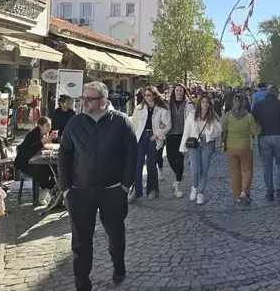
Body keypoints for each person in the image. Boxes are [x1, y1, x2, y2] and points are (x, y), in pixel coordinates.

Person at [58, 82, 137, 291]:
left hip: (113, 191)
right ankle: (82, 284)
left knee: (116, 236)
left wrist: (126, 185)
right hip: (81, 192)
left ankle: (118, 266)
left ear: (103, 101)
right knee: (81, 242)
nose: (83, 102)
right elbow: (63, 154)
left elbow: (132, 153)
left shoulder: (120, 121)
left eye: (88, 99)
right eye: (82, 98)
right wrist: (65, 188)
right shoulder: (75, 123)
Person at [130, 86, 171, 201]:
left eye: (149, 95)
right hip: (141, 137)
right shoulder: (139, 108)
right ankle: (135, 190)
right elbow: (133, 125)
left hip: (153, 137)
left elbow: (168, 125)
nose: (146, 97)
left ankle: (152, 189)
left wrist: (159, 134)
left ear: (154, 95)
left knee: (151, 164)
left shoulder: (162, 109)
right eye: (145, 95)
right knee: (138, 164)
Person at [180, 93, 223, 205]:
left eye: (207, 102)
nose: (205, 104)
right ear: (199, 103)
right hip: (194, 144)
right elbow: (186, 131)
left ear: (210, 104)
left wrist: (210, 127)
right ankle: (194, 187)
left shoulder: (213, 116)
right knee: (195, 170)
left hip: (207, 144)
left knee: (204, 170)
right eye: (203, 102)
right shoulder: (192, 115)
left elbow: (219, 131)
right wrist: (183, 148)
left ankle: (200, 193)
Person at [251, 85, 280, 201]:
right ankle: (279, 188)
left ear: (267, 93)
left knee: (267, 166)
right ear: (276, 94)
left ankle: (269, 191)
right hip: (279, 136)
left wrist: (258, 130)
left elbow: (252, 118)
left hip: (264, 137)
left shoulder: (259, 105)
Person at [222, 94, 260, 203]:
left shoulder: (228, 115)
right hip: (245, 147)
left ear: (233, 103)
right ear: (244, 103)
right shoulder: (248, 117)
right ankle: (244, 192)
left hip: (231, 147)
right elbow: (256, 131)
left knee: (235, 171)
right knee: (247, 170)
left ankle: (237, 195)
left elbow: (223, 128)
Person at [15, 117, 58, 205]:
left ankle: (46, 190)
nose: (50, 127)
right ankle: (44, 191)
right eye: (47, 125)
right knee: (43, 170)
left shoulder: (45, 133)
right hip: (26, 163)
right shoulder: (33, 135)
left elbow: (48, 146)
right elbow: (33, 149)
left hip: (39, 160)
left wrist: (53, 138)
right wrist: (46, 140)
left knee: (58, 169)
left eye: (50, 125)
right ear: (40, 126)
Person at [168, 83, 195, 198]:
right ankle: (178, 174)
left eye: (181, 91)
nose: (179, 93)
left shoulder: (188, 104)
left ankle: (178, 184)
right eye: (177, 90)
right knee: (170, 159)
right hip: (169, 135)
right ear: (174, 92)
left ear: (184, 92)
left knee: (179, 159)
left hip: (182, 135)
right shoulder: (167, 104)